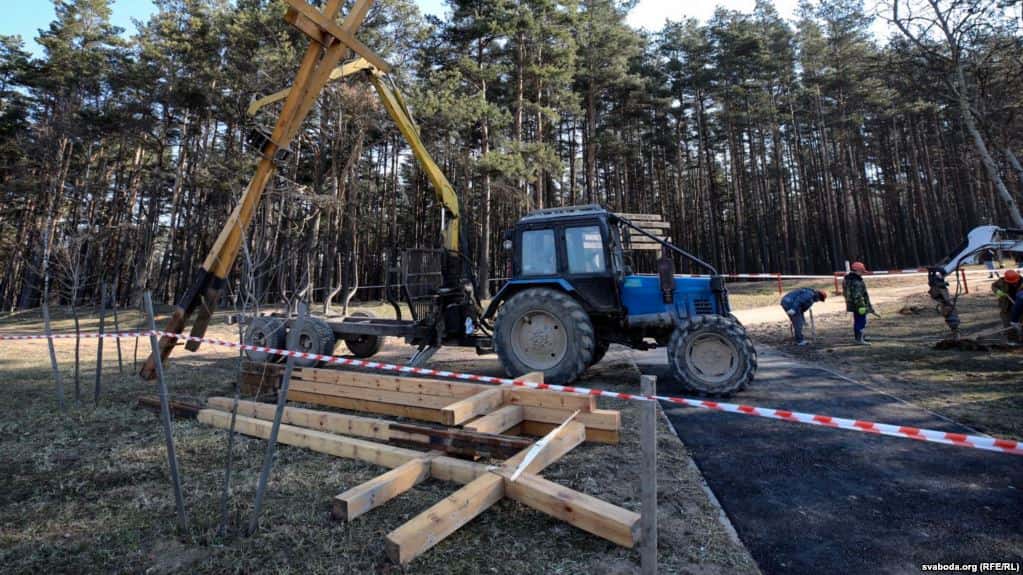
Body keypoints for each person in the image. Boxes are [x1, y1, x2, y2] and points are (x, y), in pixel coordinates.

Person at [843, 261, 875, 345]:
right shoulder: (856, 281)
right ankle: (859, 339)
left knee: (857, 320)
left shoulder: (847, 279)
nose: (862, 273)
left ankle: (860, 337)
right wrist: (861, 306)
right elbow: (858, 295)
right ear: (857, 271)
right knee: (861, 321)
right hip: (859, 305)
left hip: (852, 304)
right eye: (861, 271)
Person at [992, 270, 1022, 343]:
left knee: (1020, 323)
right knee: (1008, 325)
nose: (1013, 283)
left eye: (1015, 282)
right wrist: (998, 291)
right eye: (1011, 282)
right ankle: (1012, 341)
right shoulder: (1001, 281)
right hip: (1006, 306)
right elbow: (993, 286)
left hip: (1020, 306)